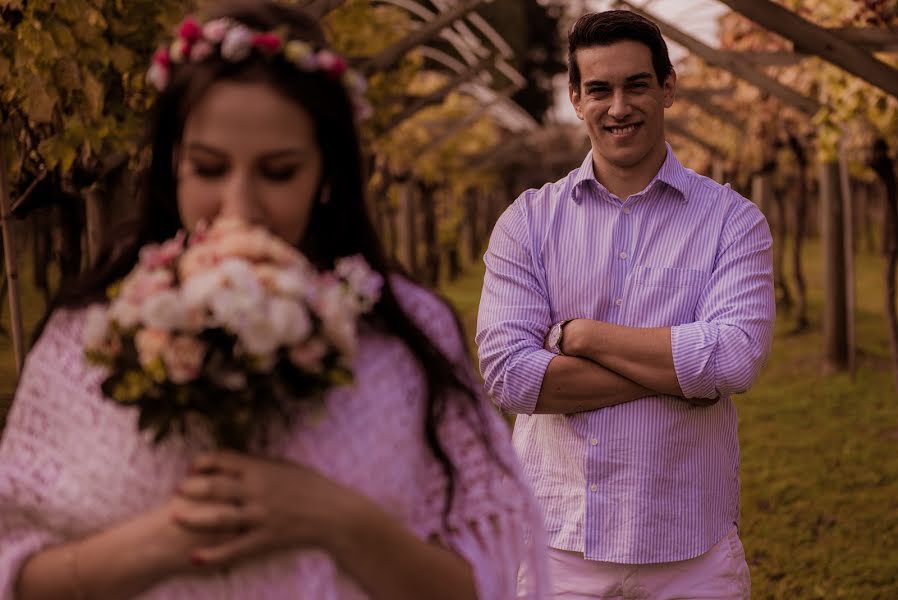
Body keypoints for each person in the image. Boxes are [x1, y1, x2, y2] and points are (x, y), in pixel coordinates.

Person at [0, 2, 548, 598]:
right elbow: (19, 572)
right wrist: (163, 541)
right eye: (208, 169)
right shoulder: (89, 333)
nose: (240, 206)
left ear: (327, 176)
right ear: (170, 170)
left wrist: (333, 517)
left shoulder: (403, 339)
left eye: (279, 172)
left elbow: (477, 582)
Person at [476, 10, 774, 599]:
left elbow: (735, 360)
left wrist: (581, 337)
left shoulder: (732, 223)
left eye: (636, 84)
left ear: (666, 89)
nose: (619, 107)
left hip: (693, 548)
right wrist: (683, 373)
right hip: (560, 545)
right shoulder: (527, 224)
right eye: (600, 89)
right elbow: (510, 377)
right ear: (575, 98)